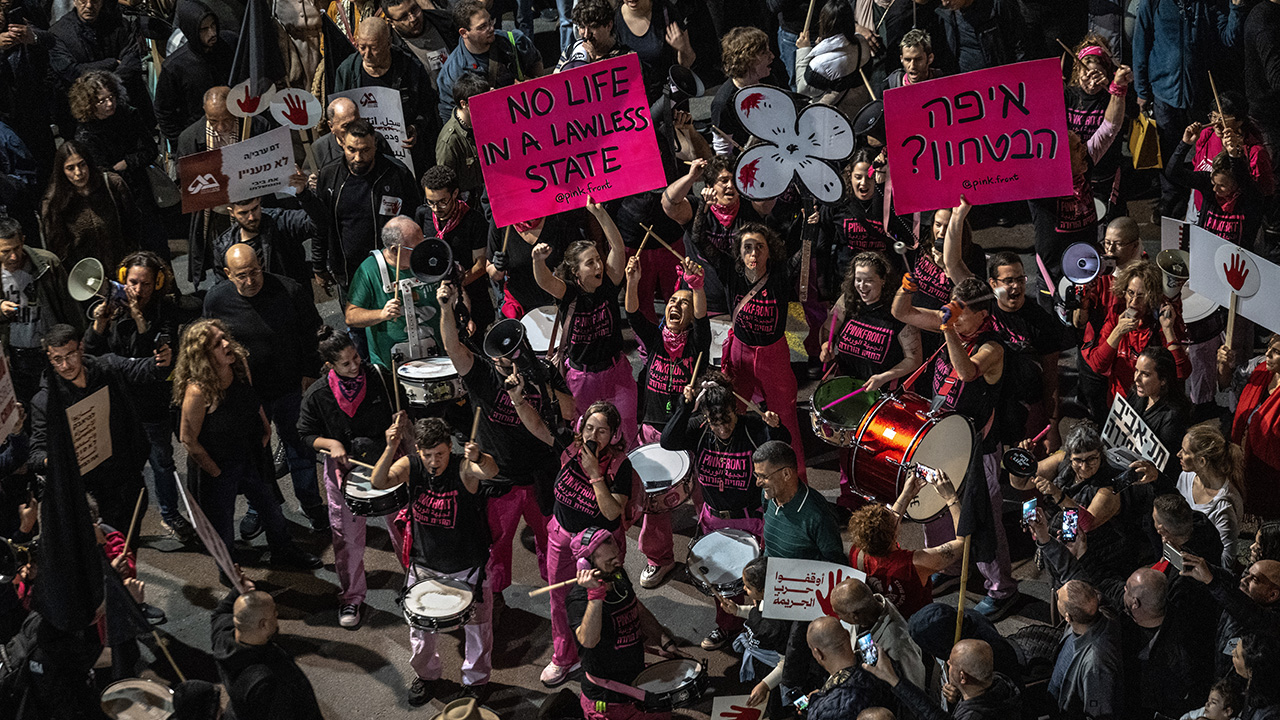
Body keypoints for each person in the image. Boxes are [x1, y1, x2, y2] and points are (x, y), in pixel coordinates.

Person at [435, 283, 575, 601]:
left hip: (542, 475)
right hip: (499, 480)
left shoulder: (542, 372)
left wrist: (538, 384)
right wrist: (446, 309)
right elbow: (454, 348)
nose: (506, 359)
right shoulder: (482, 375)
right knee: (496, 545)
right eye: (500, 354)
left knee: (551, 543)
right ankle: (495, 599)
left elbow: (570, 410)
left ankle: (561, 595)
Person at [507, 396, 634, 688]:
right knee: (559, 600)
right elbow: (536, 425)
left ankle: (605, 656)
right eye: (589, 428)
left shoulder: (619, 466)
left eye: (601, 431)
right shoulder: (570, 446)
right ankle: (565, 657)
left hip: (597, 547)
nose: (592, 436)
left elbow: (613, 511)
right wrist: (517, 399)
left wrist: (594, 475)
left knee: (603, 600)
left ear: (613, 435)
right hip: (561, 535)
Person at [174, 319, 322, 571]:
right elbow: (188, 439)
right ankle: (230, 574)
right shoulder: (198, 391)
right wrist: (216, 472)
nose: (226, 344)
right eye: (217, 343)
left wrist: (265, 431)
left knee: (271, 508)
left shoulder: (239, 365)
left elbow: (251, 400)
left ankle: (283, 551)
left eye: (224, 337)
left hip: (249, 453)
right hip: (218, 463)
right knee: (222, 524)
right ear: (203, 355)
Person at [373, 414, 498, 704]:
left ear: (449, 448)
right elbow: (379, 481)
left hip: (468, 565)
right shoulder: (412, 465)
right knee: (420, 632)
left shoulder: (463, 467)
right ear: (418, 450)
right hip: (425, 564)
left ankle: (476, 682)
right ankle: (427, 676)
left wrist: (478, 454)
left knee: (478, 629)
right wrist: (390, 447)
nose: (433, 461)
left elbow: (490, 471)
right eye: (427, 454)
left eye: (440, 453)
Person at [204, 244, 327, 534]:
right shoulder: (216, 300)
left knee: (300, 449)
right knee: (254, 453)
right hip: (245, 395)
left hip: (289, 388)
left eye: (255, 271)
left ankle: (311, 504)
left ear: (262, 263)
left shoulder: (290, 290)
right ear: (227, 274)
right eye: (242, 275)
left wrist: (310, 372)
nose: (250, 281)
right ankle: (259, 507)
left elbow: (314, 333)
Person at [661, 371, 788, 649]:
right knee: (721, 583)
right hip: (714, 520)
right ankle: (727, 627)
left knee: (758, 582)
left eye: (727, 421)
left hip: (751, 520)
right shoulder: (700, 429)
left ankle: (766, 631)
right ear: (706, 417)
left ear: (736, 409)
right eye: (715, 423)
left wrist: (776, 427)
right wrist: (684, 407)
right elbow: (668, 441)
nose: (722, 429)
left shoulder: (752, 426)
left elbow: (782, 447)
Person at [298, 325, 407, 629]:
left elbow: (401, 410)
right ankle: (352, 597)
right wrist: (330, 444)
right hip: (343, 471)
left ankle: (413, 582)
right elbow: (305, 433)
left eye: (356, 358)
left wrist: (396, 428)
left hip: (386, 462)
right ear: (330, 365)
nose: (355, 366)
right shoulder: (318, 393)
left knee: (403, 528)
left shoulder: (380, 377)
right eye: (346, 363)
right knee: (347, 539)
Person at [83, 251, 191, 542]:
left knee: (162, 463)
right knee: (118, 468)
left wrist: (141, 320)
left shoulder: (165, 310)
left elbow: (155, 361)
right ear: (122, 279)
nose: (138, 290)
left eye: (145, 284)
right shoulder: (110, 307)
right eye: (132, 282)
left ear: (157, 283)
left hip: (151, 405)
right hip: (116, 405)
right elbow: (90, 356)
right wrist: (99, 325)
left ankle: (169, 515)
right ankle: (114, 521)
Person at [622, 254, 709, 588]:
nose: (676, 306)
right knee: (654, 502)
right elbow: (632, 313)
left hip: (689, 432)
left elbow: (701, 317)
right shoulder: (656, 339)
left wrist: (695, 286)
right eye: (672, 301)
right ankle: (660, 559)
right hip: (652, 431)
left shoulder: (697, 345)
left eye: (683, 303)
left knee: (704, 497)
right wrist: (632, 280)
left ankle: (708, 556)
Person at [30, 323, 167, 531]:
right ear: (49, 359)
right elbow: (36, 454)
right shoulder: (46, 402)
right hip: (88, 496)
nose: (65, 365)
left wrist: (160, 363)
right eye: (57, 359)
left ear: (81, 348)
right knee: (105, 558)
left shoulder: (107, 368)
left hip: (126, 483)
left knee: (128, 554)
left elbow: (143, 370)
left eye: (70, 355)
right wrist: (53, 459)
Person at [699, 223, 808, 479]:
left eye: (760, 247)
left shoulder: (780, 275)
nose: (754, 253)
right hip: (740, 354)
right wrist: (703, 204)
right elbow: (699, 239)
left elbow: (804, 251)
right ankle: (736, 475)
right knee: (731, 413)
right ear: (740, 252)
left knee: (786, 419)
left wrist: (809, 225)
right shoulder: (730, 272)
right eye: (748, 247)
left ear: (769, 252)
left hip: (774, 357)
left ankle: (797, 479)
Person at [532, 200, 638, 444]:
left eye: (598, 260)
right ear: (576, 272)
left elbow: (618, 248)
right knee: (586, 440)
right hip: (583, 380)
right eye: (590, 263)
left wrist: (599, 213)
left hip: (616, 373)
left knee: (626, 435)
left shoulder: (608, 284)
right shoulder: (568, 293)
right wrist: (538, 261)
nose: (599, 265)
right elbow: (545, 281)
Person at [820, 250, 921, 504]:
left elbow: (914, 359)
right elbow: (826, 329)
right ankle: (849, 499)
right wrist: (826, 346)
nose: (861, 286)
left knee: (876, 452)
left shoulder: (897, 313)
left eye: (868, 281)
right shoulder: (848, 301)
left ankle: (881, 500)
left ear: (883, 281)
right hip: (848, 388)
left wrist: (885, 376)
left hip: (881, 394)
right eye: (858, 279)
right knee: (846, 449)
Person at [1132, 0, 1245, 219]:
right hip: (1165, 93)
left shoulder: (1210, 4)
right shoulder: (1153, 3)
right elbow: (1140, 45)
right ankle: (1171, 201)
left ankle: (1199, 204)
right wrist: (1142, 91)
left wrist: (1236, 8)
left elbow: (1228, 38)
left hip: (1199, 96)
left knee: (1200, 154)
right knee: (1168, 152)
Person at [566, 527, 683, 720]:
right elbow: (588, 641)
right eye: (610, 561)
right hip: (608, 700)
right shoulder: (578, 600)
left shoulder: (617, 574)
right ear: (585, 566)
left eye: (617, 556)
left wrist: (664, 641)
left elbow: (635, 607)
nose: (618, 562)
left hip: (636, 679)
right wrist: (595, 596)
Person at [300, 118, 419, 297]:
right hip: (350, 274)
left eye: (365, 150)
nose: (358, 157)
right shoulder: (329, 176)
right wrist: (318, 264)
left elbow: (416, 219)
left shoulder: (397, 173)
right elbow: (321, 224)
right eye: (352, 150)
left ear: (375, 144)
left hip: (393, 271)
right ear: (342, 144)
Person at [67, 70, 166, 257]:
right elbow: (98, 173)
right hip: (113, 199)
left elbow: (150, 150)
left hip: (141, 190)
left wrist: (127, 162)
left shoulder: (128, 114)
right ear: (89, 103)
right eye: (101, 101)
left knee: (157, 246)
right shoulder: (85, 134)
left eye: (111, 97)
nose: (109, 104)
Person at [662, 156, 775, 315]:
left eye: (735, 180)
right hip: (701, 301)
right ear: (709, 185)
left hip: (742, 300)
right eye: (724, 180)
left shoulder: (750, 207)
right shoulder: (695, 207)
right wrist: (691, 177)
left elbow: (770, 196)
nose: (730, 185)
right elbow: (668, 203)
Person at [847, 470, 966, 618]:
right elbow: (962, 543)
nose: (894, 514)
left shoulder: (857, 552)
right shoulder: (915, 564)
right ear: (894, 535)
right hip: (919, 622)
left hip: (889, 618)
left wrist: (907, 494)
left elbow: (889, 524)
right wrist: (951, 497)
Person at [210, 567, 324, 720]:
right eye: (274, 613)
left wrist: (239, 591)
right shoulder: (268, 679)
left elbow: (220, 614)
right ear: (263, 624)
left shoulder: (223, 640)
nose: (277, 615)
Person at [334, 17, 438, 171]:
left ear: (389, 43)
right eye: (362, 47)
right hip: (362, 156)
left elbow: (427, 106)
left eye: (374, 48)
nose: (367, 54)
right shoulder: (347, 71)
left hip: (406, 156)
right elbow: (338, 111)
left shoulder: (410, 67)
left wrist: (416, 128)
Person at [0, 215, 83, 403]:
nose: (13, 256)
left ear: (23, 241)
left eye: (17, 248)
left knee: (60, 400)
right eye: (6, 251)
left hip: (49, 348)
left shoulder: (47, 263)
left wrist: (79, 337)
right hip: (14, 354)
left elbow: (70, 306)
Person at [1083, 260, 1190, 403]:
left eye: (1141, 295)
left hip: (1155, 406)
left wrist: (1168, 330)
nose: (1133, 302)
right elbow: (1097, 365)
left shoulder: (1162, 323)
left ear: (1152, 297)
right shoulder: (1117, 317)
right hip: (1121, 403)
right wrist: (1118, 332)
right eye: (1130, 293)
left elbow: (1181, 373)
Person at [1119, 567, 1215, 719]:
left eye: (1127, 589)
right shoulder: (1125, 617)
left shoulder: (1179, 653)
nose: (1123, 590)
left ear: (1135, 604)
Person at [344, 215, 437, 369]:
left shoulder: (429, 260)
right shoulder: (369, 270)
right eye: (416, 248)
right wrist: (381, 314)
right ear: (395, 250)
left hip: (436, 355)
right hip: (391, 364)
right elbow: (351, 316)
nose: (423, 252)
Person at [39, 139, 139, 272]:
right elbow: (58, 249)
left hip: (121, 269)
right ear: (62, 171)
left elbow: (133, 225)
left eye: (82, 165)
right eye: (70, 168)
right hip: (84, 278)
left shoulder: (112, 184)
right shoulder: (54, 202)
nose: (78, 173)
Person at [861, 638, 1023, 720]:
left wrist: (894, 680)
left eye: (951, 663)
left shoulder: (973, 716)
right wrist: (960, 695)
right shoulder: (1002, 683)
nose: (947, 663)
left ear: (962, 677)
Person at [436, 0, 542, 124]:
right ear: (464, 33)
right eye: (482, 27)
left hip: (524, 119)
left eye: (490, 21)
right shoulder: (453, 72)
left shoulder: (513, 41)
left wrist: (532, 84)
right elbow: (450, 116)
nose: (491, 28)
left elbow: (535, 62)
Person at [415, 165, 492, 333]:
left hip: (471, 296)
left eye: (443, 201)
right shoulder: (423, 215)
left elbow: (481, 266)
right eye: (431, 202)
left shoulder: (474, 221)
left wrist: (455, 287)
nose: (436, 209)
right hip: (436, 297)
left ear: (455, 194)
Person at [1179, 551, 1280, 678]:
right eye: (1247, 574)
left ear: (1272, 595)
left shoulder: (1271, 623)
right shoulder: (1240, 594)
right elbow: (1225, 577)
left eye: (1254, 579)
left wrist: (1212, 582)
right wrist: (1185, 555)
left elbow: (1249, 614)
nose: (1244, 580)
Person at [175, 87, 239, 287]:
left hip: (248, 208)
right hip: (215, 213)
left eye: (227, 120)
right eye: (213, 121)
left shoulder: (254, 126)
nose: (220, 127)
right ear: (204, 112)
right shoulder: (189, 138)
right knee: (221, 258)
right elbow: (183, 179)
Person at [1166, 123, 1263, 248]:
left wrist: (1234, 157)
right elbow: (1173, 173)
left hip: (1234, 263)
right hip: (1206, 254)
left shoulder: (1251, 197)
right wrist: (1185, 144)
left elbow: (1243, 179)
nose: (1215, 189)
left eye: (1222, 185)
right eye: (1214, 183)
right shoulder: (1208, 185)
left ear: (1236, 184)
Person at [153, 0, 237, 143]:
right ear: (191, 31)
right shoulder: (174, 66)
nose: (212, 33)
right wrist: (181, 143)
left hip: (235, 130)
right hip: (200, 140)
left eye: (213, 25)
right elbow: (164, 111)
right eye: (204, 29)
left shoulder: (230, 43)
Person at [1065, 36, 1129, 221]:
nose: (1091, 83)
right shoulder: (1067, 95)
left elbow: (1117, 122)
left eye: (1097, 75)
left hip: (1104, 175)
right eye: (1086, 73)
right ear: (1078, 71)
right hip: (1075, 175)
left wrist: (1116, 87)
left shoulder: (1113, 96)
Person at [1218, 334, 1280, 519]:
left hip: (1272, 473)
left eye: (1276, 351)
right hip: (1243, 458)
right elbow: (1226, 384)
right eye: (1268, 347)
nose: (1267, 354)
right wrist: (1223, 365)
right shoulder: (1258, 369)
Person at [722, 556, 793, 718]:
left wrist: (766, 685)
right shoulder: (766, 601)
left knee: (777, 707)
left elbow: (786, 662)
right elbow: (756, 613)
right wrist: (738, 610)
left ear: (763, 591)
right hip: (763, 665)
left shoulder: (777, 625)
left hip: (774, 674)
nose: (744, 590)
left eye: (748, 587)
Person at [830, 577, 927, 691]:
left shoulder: (897, 645)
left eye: (840, 614)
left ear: (854, 615)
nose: (839, 618)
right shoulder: (871, 608)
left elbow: (915, 689)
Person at [756, 440, 844, 563]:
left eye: (764, 477)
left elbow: (835, 564)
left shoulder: (819, 515)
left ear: (786, 474)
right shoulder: (769, 496)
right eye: (757, 475)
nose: (758, 483)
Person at [1048, 579, 1124, 720]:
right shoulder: (1101, 612)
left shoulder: (1096, 664)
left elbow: (1099, 713)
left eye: (1059, 598)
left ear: (1068, 618)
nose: (1057, 592)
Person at [1175, 426, 1244, 568]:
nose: (1178, 454)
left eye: (1185, 452)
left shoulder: (1223, 507)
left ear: (1202, 461)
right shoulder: (1186, 476)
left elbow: (1227, 558)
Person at [212, 196, 315, 286]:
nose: (251, 217)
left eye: (255, 208)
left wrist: (304, 195)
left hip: (290, 300)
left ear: (259, 202)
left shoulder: (280, 222)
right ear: (232, 212)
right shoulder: (224, 246)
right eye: (244, 213)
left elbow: (316, 223)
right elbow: (223, 287)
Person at [804, 616, 894, 720]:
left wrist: (815, 706)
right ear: (847, 634)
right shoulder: (881, 666)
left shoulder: (823, 711)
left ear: (817, 653)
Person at [794, 0, 873, 117]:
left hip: (833, 118)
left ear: (825, 22)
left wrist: (803, 50)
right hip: (858, 111)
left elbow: (802, 88)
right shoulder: (861, 42)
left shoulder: (821, 63)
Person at [709, 28, 777, 153]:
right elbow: (723, 152)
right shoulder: (723, 103)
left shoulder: (768, 79)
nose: (771, 56)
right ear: (748, 59)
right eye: (764, 53)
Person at [615, 0, 696, 101]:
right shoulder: (615, 19)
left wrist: (682, 48)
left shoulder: (665, 10)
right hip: (635, 101)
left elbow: (689, 60)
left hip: (666, 98)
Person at [932, 0, 1028, 75]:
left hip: (1000, 80)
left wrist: (1020, 76)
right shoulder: (944, 14)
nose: (945, 3)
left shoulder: (997, 5)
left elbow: (1020, 45)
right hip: (964, 85)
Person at [434, 73, 489, 200]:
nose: (485, 106)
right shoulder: (450, 140)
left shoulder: (485, 122)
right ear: (464, 104)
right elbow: (446, 184)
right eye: (480, 102)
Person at [381, 0, 455, 90]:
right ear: (391, 22)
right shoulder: (392, 51)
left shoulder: (445, 21)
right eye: (404, 17)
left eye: (414, 9)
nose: (413, 18)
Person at [555, 0, 628, 72]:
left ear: (609, 25)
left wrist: (594, 66)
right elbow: (554, 81)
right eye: (582, 27)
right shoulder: (570, 50)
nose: (586, 35)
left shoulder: (625, 56)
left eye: (593, 27)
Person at [1229, 633, 1280, 719]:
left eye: (1237, 656)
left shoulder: (1271, 714)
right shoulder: (1247, 685)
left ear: (1250, 671)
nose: (1232, 652)